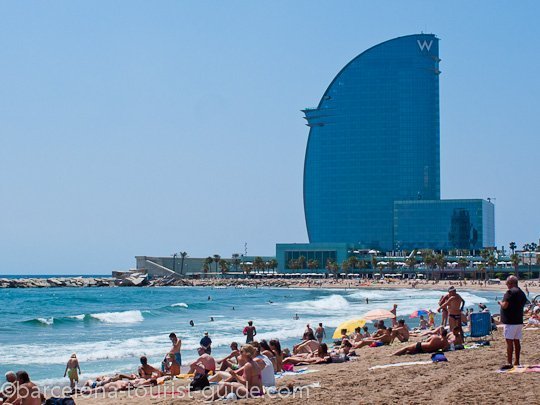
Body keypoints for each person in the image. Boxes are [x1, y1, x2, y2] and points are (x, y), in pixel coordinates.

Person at [498, 275, 528, 367]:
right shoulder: (521, 293)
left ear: (511, 283)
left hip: (510, 321)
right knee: (516, 341)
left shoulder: (510, 292)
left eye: (507, 283)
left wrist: (500, 303)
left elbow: (505, 305)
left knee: (509, 342)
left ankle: (509, 362)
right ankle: (517, 361)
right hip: (518, 320)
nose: (507, 285)